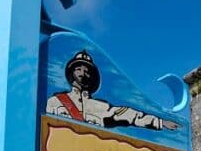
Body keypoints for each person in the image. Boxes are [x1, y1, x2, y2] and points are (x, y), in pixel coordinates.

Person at [45, 50, 180, 131]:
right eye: (78, 69)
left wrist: (160, 122)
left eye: (87, 71)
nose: (83, 73)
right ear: (71, 73)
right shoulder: (55, 102)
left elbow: (129, 115)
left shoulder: (100, 107)